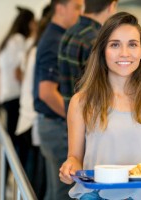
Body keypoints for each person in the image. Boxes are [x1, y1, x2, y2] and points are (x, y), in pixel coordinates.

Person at [59, 12, 141, 200]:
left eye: (132, 44)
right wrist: (70, 167)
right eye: (115, 45)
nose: (124, 53)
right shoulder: (81, 101)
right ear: (102, 51)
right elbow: (75, 157)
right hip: (96, 195)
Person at [33, 0, 84, 199]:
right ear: (60, 8)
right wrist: (75, 119)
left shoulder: (57, 36)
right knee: (63, 192)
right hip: (56, 126)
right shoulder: (55, 40)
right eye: (77, 7)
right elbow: (46, 91)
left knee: (56, 191)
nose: (81, 14)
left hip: (52, 125)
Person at [15, 4, 51, 199]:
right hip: (33, 119)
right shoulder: (39, 50)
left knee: (31, 178)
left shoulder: (33, 47)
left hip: (27, 116)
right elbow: (44, 92)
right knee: (34, 181)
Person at [58, 0, 118, 113]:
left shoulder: (69, 32)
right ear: (111, 6)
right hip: (92, 123)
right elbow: (104, 91)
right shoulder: (97, 40)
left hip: (72, 120)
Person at [0, 6, 35, 151]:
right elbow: (18, 72)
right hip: (14, 96)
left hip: (6, 94)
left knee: (11, 139)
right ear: (29, 23)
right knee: (15, 143)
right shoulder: (18, 40)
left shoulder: (9, 40)